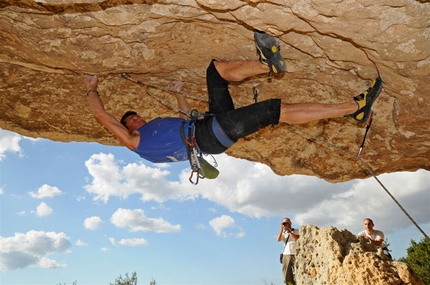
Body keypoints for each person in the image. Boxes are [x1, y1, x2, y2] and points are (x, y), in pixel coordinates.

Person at [84, 31, 382, 165]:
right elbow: (102, 116)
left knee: (214, 73)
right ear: (129, 130)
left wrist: (177, 93)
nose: (135, 120)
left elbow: (185, 117)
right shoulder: (136, 142)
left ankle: (268, 63)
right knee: (276, 111)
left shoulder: (156, 128)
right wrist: (91, 88)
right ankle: (355, 107)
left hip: (209, 125)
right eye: (130, 121)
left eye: (135, 116)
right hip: (212, 136)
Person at [277, 218, 300, 285]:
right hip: (286, 254)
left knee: (298, 271)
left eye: (287, 223)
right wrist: (281, 229)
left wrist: (290, 232)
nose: (285, 224)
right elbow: (278, 239)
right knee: (287, 274)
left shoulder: (296, 230)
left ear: (290, 223)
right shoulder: (283, 233)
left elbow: (296, 238)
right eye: (284, 223)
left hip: (295, 254)